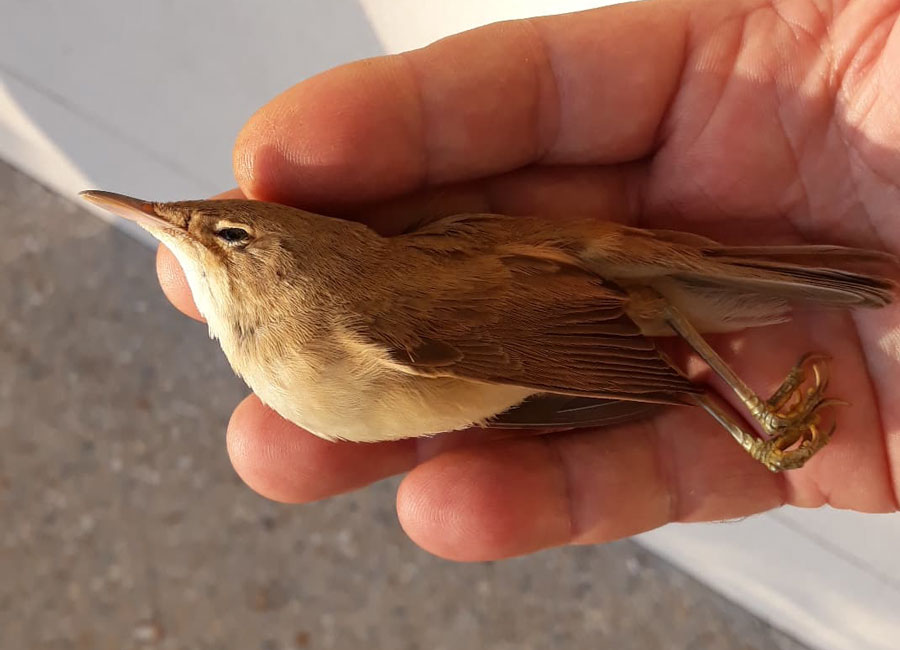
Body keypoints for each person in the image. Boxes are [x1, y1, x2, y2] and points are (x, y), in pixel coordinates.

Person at [156, 1, 900, 561]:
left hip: (555, 294)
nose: (195, 235)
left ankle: (755, 419)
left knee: (664, 303)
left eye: (229, 235)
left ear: (287, 263)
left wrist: (690, 393)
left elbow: (573, 321)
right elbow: (502, 385)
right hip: (542, 315)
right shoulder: (299, 353)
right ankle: (752, 411)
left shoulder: (351, 320)